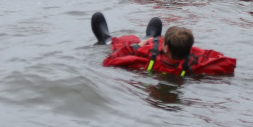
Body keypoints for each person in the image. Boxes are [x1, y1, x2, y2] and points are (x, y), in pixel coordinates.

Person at [92, 12, 236, 76]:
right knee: (150, 36)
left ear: (165, 47)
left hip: (147, 51)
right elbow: (228, 63)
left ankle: (105, 38)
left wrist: (139, 46)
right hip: (177, 55)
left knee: (124, 41)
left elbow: (108, 62)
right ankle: (152, 36)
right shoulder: (195, 63)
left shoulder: (143, 58)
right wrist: (194, 51)